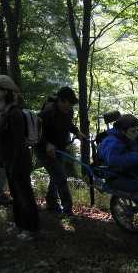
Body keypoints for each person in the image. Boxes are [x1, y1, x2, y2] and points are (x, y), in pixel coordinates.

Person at [0, 75, 39, 239]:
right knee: (16, 194)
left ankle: (31, 229)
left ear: (5, 92)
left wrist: (13, 164)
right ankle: (20, 226)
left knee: (24, 194)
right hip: (8, 162)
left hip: (18, 162)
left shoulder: (14, 113)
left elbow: (17, 143)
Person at [36, 86, 86, 216]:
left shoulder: (68, 112)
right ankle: (68, 211)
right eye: (69, 104)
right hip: (43, 149)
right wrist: (46, 144)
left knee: (56, 176)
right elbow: (35, 131)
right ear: (61, 100)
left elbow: (68, 124)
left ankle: (51, 202)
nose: (70, 107)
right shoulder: (47, 112)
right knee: (61, 177)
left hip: (59, 149)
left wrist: (77, 131)